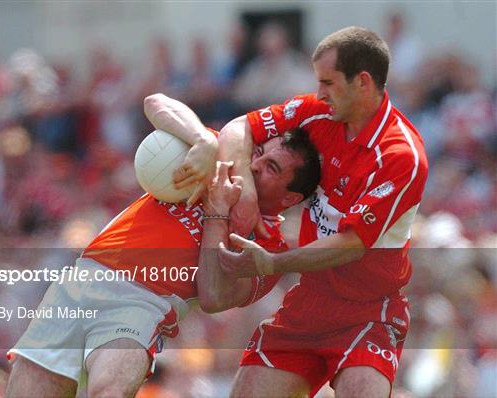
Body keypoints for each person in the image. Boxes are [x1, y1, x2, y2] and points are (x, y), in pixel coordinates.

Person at [5, 94, 321, 398]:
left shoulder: (271, 248)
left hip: (144, 303)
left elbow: (214, 297)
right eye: (259, 152)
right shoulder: (219, 157)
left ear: (290, 198)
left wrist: (216, 212)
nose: (254, 165)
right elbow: (155, 103)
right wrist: (203, 140)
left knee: (109, 391)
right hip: (85, 278)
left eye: (272, 168)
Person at [177, 26, 429, 397]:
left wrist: (273, 264)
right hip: (309, 302)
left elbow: (351, 245)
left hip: (368, 311)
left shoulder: (400, 156)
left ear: (362, 82)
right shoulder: (317, 114)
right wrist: (246, 195)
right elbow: (237, 129)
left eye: (327, 82)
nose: (319, 93)